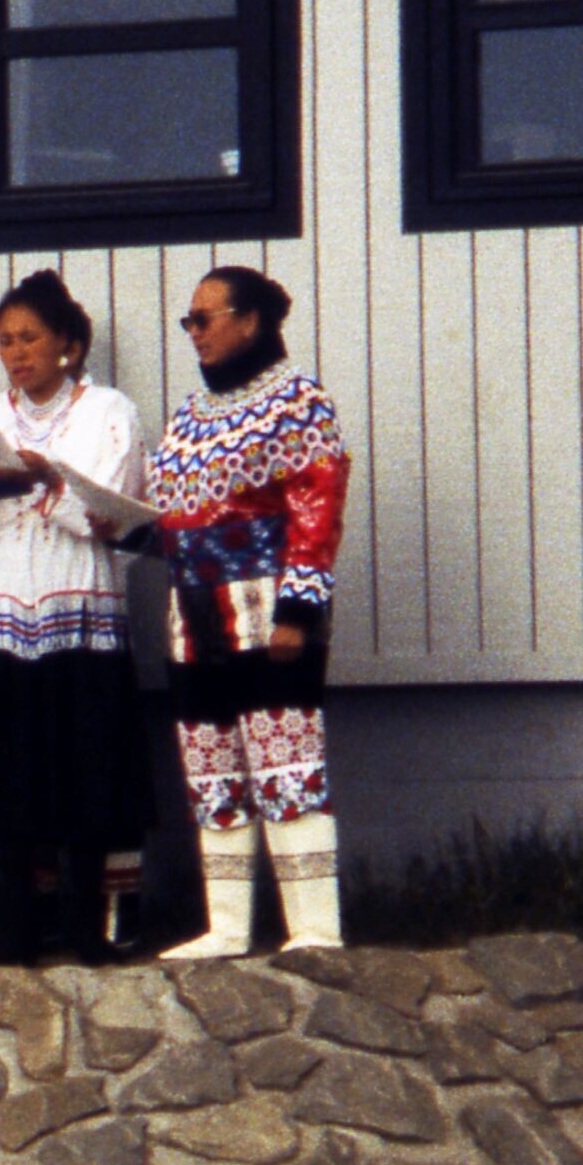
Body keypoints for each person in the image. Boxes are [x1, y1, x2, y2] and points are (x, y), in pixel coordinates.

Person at [148, 266, 353, 957]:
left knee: (286, 763)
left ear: (251, 320)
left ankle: (314, 929)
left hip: (266, 608)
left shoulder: (297, 399)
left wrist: (299, 609)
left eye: (204, 319)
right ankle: (227, 927)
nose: (194, 332)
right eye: (189, 321)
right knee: (211, 767)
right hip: (191, 612)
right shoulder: (189, 413)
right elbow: (172, 514)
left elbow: (317, 506)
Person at [0, 270, 151, 962]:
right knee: (6, 768)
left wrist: (46, 480)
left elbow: (113, 510)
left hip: (75, 596)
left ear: (67, 343)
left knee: (85, 762)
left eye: (29, 338)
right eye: (5, 340)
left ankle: (88, 928)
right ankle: (15, 929)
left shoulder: (108, 411)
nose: (16, 352)